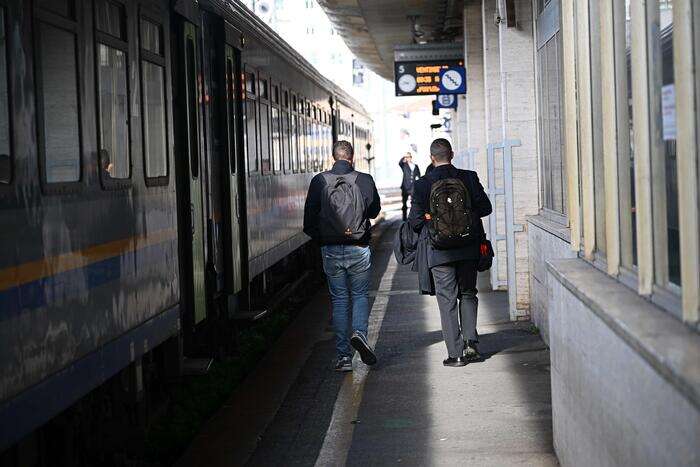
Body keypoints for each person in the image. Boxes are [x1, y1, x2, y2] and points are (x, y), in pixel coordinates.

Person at [408, 138, 492, 367]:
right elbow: (486, 208)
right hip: (468, 249)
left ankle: (455, 355)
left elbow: (415, 222)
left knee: (447, 301)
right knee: (467, 293)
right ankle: (471, 344)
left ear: (431, 157)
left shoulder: (423, 184)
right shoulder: (469, 177)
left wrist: (431, 218)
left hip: (439, 252)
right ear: (452, 154)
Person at [303, 140, 381, 372]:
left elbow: (309, 221)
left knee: (339, 300)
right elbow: (375, 211)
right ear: (352, 157)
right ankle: (359, 334)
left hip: (331, 250)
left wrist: (324, 241)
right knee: (359, 295)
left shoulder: (319, 181)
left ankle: (343, 358)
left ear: (333, 157)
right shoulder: (364, 179)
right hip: (358, 247)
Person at [399, 152, 421, 221]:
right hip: (405, 187)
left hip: (413, 187)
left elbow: (419, 176)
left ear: (411, 157)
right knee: (404, 204)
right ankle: (404, 218)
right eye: (407, 157)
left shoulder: (415, 166)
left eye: (409, 157)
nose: (408, 158)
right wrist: (404, 157)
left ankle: (412, 217)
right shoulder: (404, 165)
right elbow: (400, 163)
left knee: (413, 203)